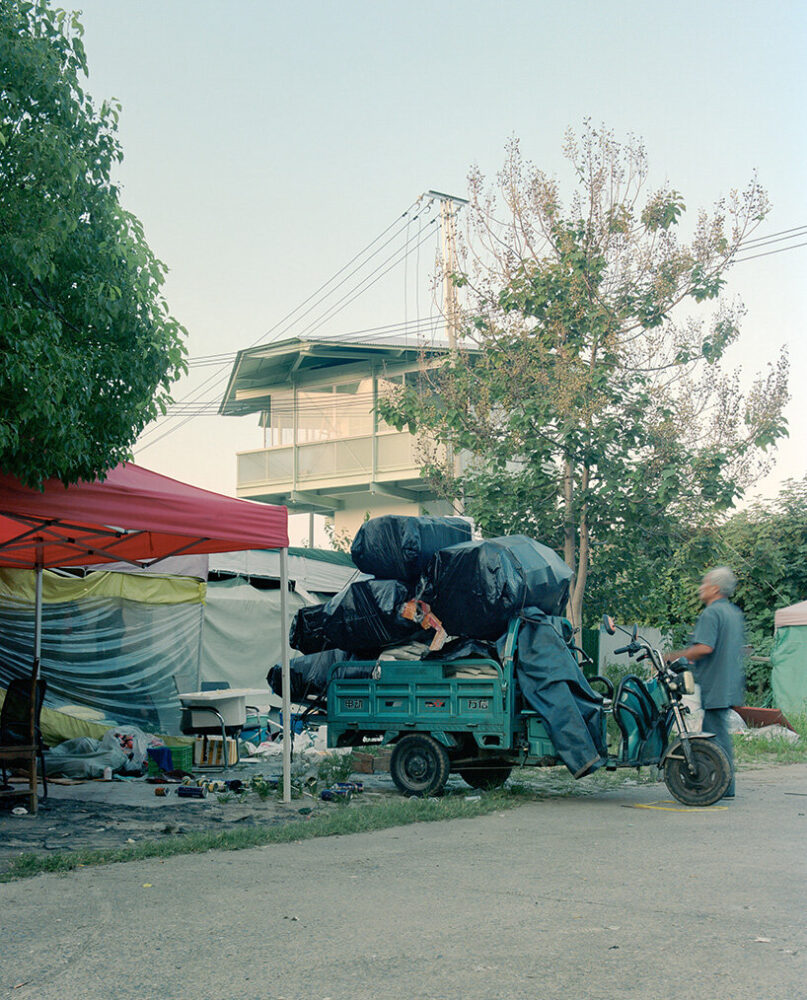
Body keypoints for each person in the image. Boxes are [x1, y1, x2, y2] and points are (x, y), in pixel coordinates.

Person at [665, 567, 746, 798]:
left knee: (714, 739)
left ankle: (721, 786)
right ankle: (723, 785)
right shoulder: (733, 613)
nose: (701, 588)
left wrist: (671, 656)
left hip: (716, 684)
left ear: (715, 588)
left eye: (704, 583)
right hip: (729, 682)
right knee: (718, 734)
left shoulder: (711, 613)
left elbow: (704, 647)